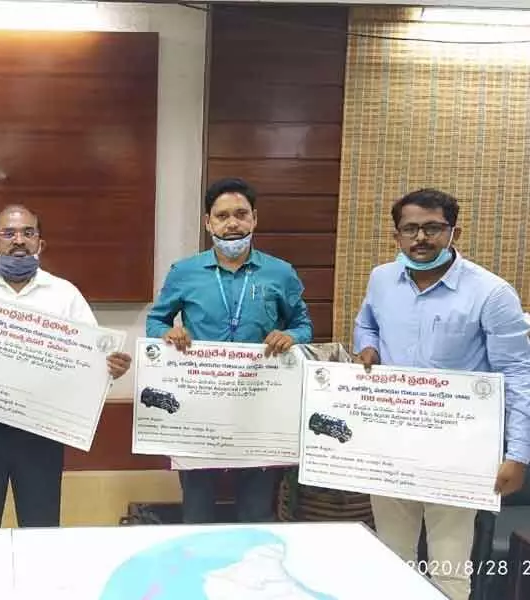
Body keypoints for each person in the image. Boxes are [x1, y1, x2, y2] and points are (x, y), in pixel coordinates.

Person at [353, 188, 530, 600]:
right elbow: (368, 323)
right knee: (391, 559)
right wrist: (369, 346)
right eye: (410, 229)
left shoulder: (492, 293)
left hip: (459, 449)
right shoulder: (381, 279)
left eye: (433, 228)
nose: (421, 238)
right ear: (396, 236)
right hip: (391, 440)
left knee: (449, 567)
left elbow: (519, 374)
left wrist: (518, 455)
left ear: (455, 232)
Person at [0, 204, 132, 529]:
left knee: (41, 526)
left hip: (41, 430)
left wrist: (109, 369)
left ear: (40, 243)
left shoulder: (64, 294)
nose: (19, 240)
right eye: (9, 233)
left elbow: (91, 360)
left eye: (28, 233)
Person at [145, 177, 313, 524]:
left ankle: (254, 573)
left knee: (256, 508)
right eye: (222, 216)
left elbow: (304, 326)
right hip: (199, 406)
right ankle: (196, 573)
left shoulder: (280, 273)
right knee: (198, 505)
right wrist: (168, 333)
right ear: (209, 223)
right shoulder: (185, 271)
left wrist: (290, 335)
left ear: (255, 219)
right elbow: (155, 323)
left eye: (241, 214)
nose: (232, 223)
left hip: (261, 406)